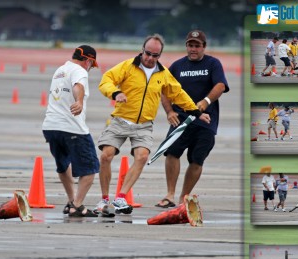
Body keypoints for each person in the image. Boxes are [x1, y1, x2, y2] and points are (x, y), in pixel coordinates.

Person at [95, 33, 210, 215]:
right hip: (121, 119)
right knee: (106, 156)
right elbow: (106, 80)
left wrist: (197, 113)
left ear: (160, 55)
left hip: (144, 125)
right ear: (142, 51)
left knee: (141, 156)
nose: (150, 58)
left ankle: (121, 197)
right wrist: (115, 93)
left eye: (154, 55)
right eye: (147, 53)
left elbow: (178, 94)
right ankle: (104, 200)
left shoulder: (163, 74)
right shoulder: (127, 66)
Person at [155, 30, 229, 208]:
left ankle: (183, 197)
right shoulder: (177, 66)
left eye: (197, 46)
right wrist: (169, 111)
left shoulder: (213, 64)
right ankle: (170, 194)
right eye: (190, 45)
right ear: (186, 46)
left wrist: (206, 101)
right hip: (180, 120)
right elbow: (164, 90)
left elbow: (220, 85)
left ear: (204, 47)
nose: (193, 49)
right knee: (172, 152)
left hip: (205, 121)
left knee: (197, 160)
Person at [42, 45, 101, 217]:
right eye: (92, 65)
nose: (91, 68)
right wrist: (80, 101)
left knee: (63, 165)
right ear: (88, 61)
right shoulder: (79, 71)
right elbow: (78, 86)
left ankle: (71, 201)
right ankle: (77, 205)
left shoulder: (60, 70)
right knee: (90, 169)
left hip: (51, 127)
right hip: (71, 127)